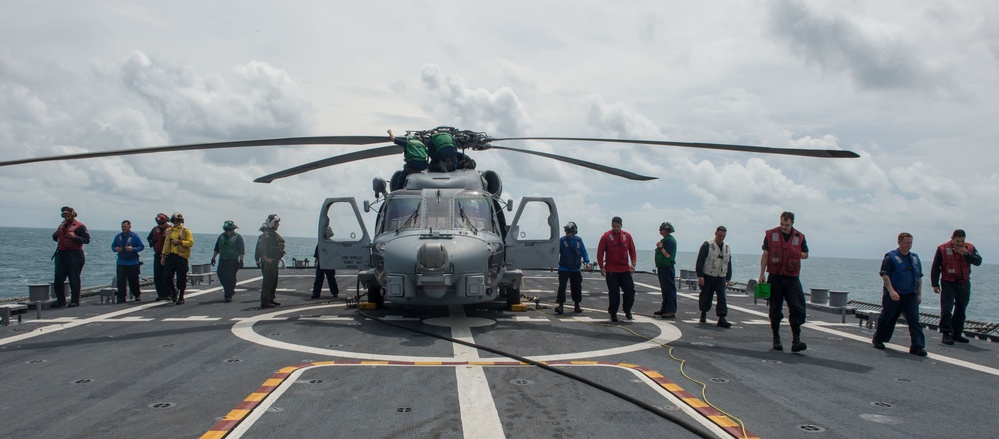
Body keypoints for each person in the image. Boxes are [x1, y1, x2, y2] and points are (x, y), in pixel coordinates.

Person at [759, 211, 808, 352]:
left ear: (792, 223)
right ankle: (776, 338)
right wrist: (762, 273)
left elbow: (806, 254)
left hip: (792, 278)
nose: (784, 227)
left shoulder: (800, 237)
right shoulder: (770, 235)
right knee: (775, 309)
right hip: (775, 276)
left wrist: (797, 253)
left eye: (786, 225)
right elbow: (765, 254)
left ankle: (796, 340)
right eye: (782, 224)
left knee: (797, 308)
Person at [872, 232, 927, 357]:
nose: (909, 245)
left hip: (911, 295)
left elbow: (919, 277)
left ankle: (917, 346)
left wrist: (919, 294)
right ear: (899, 242)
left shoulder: (915, 258)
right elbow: (885, 276)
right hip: (895, 295)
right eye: (906, 242)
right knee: (887, 318)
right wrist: (891, 291)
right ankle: (878, 338)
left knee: (914, 321)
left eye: (910, 243)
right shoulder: (890, 258)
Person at [930, 229, 983, 345]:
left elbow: (978, 261)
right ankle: (946, 333)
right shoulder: (942, 249)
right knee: (947, 308)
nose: (960, 244)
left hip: (964, 282)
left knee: (961, 309)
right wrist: (935, 284)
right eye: (957, 241)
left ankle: (957, 333)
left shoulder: (970, 248)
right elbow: (935, 267)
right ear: (952, 238)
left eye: (962, 241)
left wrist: (965, 253)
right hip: (948, 282)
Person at [596, 216, 637, 322]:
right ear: (611, 225)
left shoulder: (627, 236)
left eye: (618, 226)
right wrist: (601, 267)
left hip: (624, 269)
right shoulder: (605, 237)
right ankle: (613, 313)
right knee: (614, 293)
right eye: (614, 226)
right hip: (611, 270)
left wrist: (633, 263)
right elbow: (600, 253)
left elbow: (632, 250)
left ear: (621, 226)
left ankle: (627, 310)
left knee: (630, 291)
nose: (616, 228)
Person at [51, 206, 91, 307]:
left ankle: (75, 300)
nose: (66, 217)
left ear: (72, 215)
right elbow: (57, 238)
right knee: (58, 278)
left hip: (75, 254)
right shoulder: (62, 225)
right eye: (65, 215)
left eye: (68, 215)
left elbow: (87, 240)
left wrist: (75, 237)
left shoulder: (80, 226)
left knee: (74, 278)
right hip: (61, 253)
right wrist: (54, 235)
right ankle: (60, 300)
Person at [696, 226, 733, 328]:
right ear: (715, 233)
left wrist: (728, 277)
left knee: (722, 297)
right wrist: (700, 275)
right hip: (708, 274)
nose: (721, 238)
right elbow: (700, 260)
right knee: (706, 295)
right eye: (720, 235)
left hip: (721, 276)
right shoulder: (707, 245)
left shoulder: (727, 247)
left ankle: (722, 317)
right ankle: (703, 312)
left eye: (723, 236)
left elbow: (728, 263)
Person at [555, 222, 590, 314]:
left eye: (569, 231)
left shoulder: (579, 240)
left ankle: (577, 305)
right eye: (566, 231)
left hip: (575, 268)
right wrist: (552, 264)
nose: (567, 232)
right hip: (564, 267)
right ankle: (560, 305)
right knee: (562, 287)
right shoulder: (562, 241)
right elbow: (555, 253)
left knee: (577, 287)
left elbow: (583, 251)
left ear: (573, 231)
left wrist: (587, 262)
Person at [161, 212, 194, 305]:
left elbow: (190, 243)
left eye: (177, 221)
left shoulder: (185, 231)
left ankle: (181, 296)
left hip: (181, 257)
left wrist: (179, 242)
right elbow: (166, 244)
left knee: (181, 278)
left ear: (180, 221)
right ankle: (174, 291)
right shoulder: (168, 231)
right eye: (174, 221)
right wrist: (163, 256)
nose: (175, 222)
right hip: (170, 256)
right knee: (166, 277)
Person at [255, 214, 285, 308]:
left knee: (273, 281)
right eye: (277, 223)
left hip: (274, 261)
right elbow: (261, 248)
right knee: (268, 282)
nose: (278, 225)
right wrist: (266, 259)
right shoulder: (267, 235)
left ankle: (271, 298)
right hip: (269, 262)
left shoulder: (272, 234)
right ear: (272, 223)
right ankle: (265, 301)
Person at [211, 220, 245, 303]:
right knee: (220, 274)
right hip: (223, 260)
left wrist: (241, 260)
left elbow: (241, 250)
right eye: (227, 230)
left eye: (230, 230)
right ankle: (229, 289)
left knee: (230, 277)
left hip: (232, 260)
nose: (228, 231)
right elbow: (217, 248)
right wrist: (213, 257)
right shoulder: (221, 237)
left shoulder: (238, 237)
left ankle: (228, 295)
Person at [111, 220, 144, 303]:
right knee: (120, 281)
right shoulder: (118, 236)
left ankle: (137, 294)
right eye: (122, 227)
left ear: (129, 227)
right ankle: (121, 297)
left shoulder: (135, 236)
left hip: (132, 262)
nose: (123, 228)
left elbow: (141, 246)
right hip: (121, 262)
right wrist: (116, 249)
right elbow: (113, 246)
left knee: (133, 280)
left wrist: (132, 249)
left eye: (125, 227)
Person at [654, 222, 678, 318]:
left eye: (662, 229)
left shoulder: (670, 241)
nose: (660, 230)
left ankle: (671, 310)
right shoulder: (665, 240)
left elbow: (667, 254)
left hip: (667, 267)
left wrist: (661, 247)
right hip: (663, 267)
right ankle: (664, 308)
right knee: (665, 289)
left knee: (669, 289)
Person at [147, 213, 172, 301]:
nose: (161, 225)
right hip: (158, 254)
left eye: (162, 223)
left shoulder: (171, 229)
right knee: (157, 275)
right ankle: (161, 294)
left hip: (169, 255)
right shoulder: (154, 230)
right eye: (159, 224)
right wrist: (153, 241)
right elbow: (149, 240)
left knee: (167, 275)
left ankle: (170, 293)